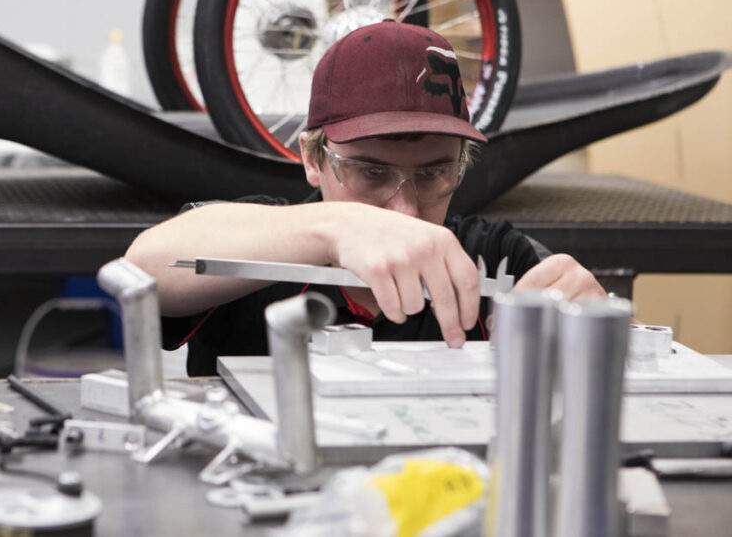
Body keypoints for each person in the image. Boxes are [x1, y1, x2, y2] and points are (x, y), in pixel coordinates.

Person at [126, 21, 605, 376]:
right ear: (313, 160)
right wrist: (339, 228)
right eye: (371, 171)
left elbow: (604, 360)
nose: (404, 210)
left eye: (434, 172)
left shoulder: (492, 257)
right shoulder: (256, 241)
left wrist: (593, 326)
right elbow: (144, 269)